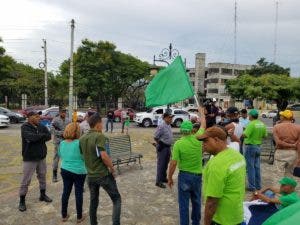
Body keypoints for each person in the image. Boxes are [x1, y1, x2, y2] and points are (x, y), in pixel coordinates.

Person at [198, 126, 246, 225]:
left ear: (216, 140)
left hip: (221, 220)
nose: (203, 145)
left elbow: (212, 202)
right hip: (237, 215)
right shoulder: (238, 156)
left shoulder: (216, 164)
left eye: (206, 141)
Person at [79, 113, 121, 225]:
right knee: (116, 199)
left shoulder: (82, 138)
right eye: (101, 123)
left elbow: (82, 155)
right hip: (103, 175)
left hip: (90, 176)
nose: (102, 125)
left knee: (93, 201)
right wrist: (112, 168)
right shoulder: (99, 136)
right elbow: (104, 155)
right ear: (98, 124)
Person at [167, 107, 206, 225]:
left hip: (184, 176)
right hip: (197, 176)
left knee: (183, 204)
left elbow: (173, 163)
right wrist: (202, 113)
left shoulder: (178, 144)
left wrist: (169, 177)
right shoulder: (198, 138)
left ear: (181, 130)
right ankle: (196, 222)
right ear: (191, 130)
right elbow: (203, 125)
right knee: (197, 201)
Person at [18, 111, 52, 212]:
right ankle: (22, 200)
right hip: (29, 158)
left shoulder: (41, 126)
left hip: (41, 157)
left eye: (39, 116)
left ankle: (42, 195)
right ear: (29, 117)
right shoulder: (24, 127)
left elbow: (49, 136)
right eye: (36, 116)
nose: (39, 118)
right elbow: (31, 138)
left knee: (42, 176)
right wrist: (41, 136)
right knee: (26, 180)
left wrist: (38, 136)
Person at [58, 123, 87, 223]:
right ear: (77, 132)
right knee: (78, 192)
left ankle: (64, 215)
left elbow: (60, 155)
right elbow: (84, 157)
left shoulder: (62, 143)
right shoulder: (79, 143)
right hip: (79, 171)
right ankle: (79, 217)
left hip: (65, 169)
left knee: (66, 192)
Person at [242, 109, 267, 191]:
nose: (248, 116)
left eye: (249, 115)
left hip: (250, 147)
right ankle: (258, 185)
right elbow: (265, 135)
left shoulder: (251, 124)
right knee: (257, 167)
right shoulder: (262, 124)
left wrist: (240, 134)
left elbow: (245, 135)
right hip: (258, 146)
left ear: (251, 116)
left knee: (250, 167)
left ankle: (252, 186)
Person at [273, 110, 300, 177]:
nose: (280, 117)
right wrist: (299, 158)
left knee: (278, 175)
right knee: (290, 175)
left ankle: (279, 187)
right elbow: (298, 144)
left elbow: (278, 142)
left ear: (283, 117)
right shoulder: (298, 128)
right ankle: (289, 187)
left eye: (281, 116)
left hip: (280, 152)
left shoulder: (276, 127)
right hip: (293, 153)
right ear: (291, 118)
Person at [153, 112, 174, 188]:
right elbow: (155, 137)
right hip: (162, 148)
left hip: (168, 147)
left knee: (165, 164)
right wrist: (160, 143)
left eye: (171, 117)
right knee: (161, 164)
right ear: (165, 118)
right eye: (169, 117)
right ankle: (158, 181)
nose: (171, 119)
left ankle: (163, 178)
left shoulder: (169, 125)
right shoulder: (161, 126)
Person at [51, 107, 70, 182]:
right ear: (59, 112)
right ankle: (54, 175)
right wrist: (61, 133)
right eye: (62, 112)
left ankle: (66, 173)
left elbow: (70, 129)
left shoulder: (68, 120)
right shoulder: (55, 120)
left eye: (65, 112)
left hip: (67, 141)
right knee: (56, 158)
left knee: (67, 158)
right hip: (58, 141)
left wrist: (67, 134)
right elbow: (51, 129)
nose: (64, 113)